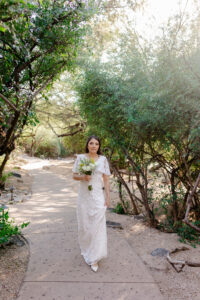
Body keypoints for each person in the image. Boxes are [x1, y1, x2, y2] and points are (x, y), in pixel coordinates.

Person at [72, 135, 111, 272]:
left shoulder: (103, 160)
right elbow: (74, 175)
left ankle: (94, 257)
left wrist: (107, 197)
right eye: (91, 143)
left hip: (97, 195)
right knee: (85, 224)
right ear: (87, 145)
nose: (94, 146)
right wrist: (84, 177)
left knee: (97, 224)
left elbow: (106, 180)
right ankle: (87, 249)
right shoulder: (81, 158)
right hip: (84, 195)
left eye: (96, 144)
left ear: (99, 146)